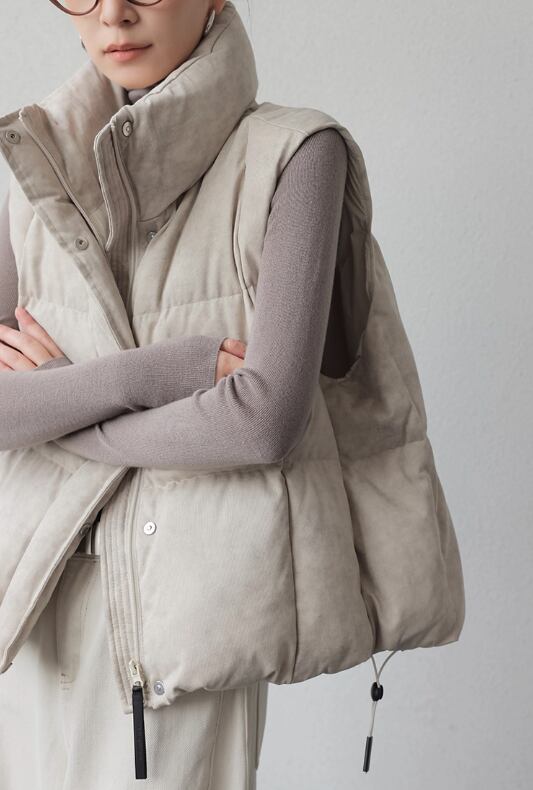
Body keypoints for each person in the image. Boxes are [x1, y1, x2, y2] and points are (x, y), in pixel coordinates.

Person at [0, 1, 349, 787]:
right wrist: (159, 373)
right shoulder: (38, 161)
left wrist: (54, 405)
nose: (113, 14)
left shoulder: (295, 152)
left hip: (183, 630)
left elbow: (262, 421)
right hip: (30, 612)